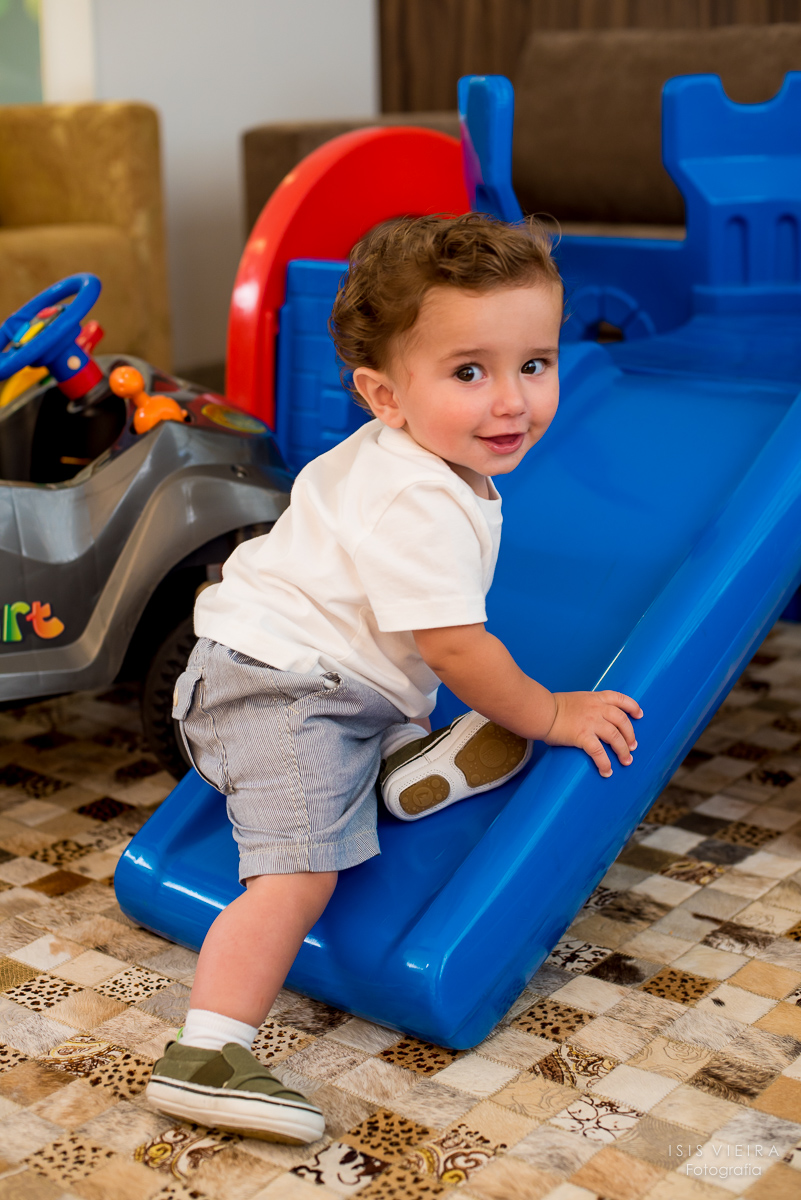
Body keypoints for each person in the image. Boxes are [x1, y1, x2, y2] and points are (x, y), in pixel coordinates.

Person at [145, 213, 642, 1143]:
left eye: (534, 364)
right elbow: (455, 648)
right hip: (273, 690)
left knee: (367, 727)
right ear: (385, 394)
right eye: (469, 372)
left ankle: (388, 765)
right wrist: (548, 713)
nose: (511, 402)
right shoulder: (418, 498)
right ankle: (206, 1052)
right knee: (298, 877)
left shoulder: (422, 454)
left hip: (321, 678)